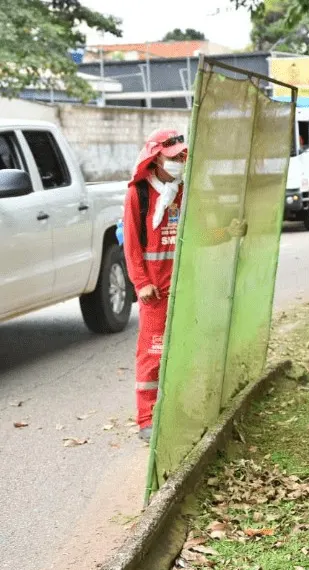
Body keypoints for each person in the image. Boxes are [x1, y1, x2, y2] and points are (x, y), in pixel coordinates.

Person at [122, 128, 188, 441]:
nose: (180, 161)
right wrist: (141, 282)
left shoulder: (186, 190)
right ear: (156, 157)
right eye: (173, 157)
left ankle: (180, 410)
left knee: (185, 350)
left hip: (186, 285)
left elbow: (202, 235)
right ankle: (147, 419)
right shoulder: (139, 193)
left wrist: (226, 231)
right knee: (153, 353)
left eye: (182, 156)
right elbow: (132, 244)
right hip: (155, 290)